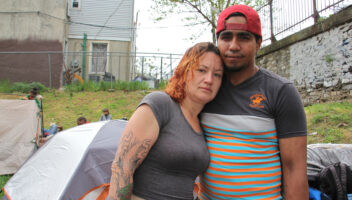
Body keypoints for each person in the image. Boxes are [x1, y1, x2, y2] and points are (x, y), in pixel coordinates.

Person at [197, 4, 308, 200]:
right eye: (226, 37)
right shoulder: (206, 89)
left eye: (244, 37)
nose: (233, 46)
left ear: (258, 43)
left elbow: (294, 169)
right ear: (217, 41)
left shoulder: (280, 91)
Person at [109, 42, 224, 200]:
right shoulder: (160, 104)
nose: (209, 79)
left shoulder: (204, 123)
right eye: (202, 70)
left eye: (217, 74)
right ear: (185, 70)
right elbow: (122, 166)